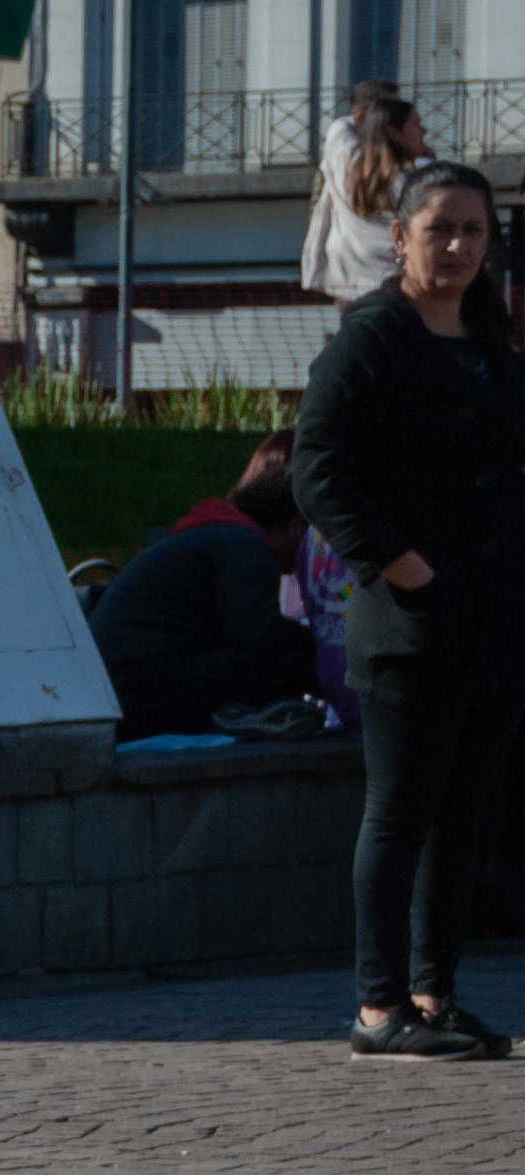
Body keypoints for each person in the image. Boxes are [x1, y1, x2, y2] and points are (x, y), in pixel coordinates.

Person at [294, 161, 525, 1061]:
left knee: (466, 817)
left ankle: (435, 995)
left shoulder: (491, 337)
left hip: (496, 622)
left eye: (476, 230)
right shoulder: (374, 338)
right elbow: (318, 470)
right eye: (442, 230)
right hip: (411, 625)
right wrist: (405, 569)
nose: (462, 246)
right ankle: (377, 1005)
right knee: (400, 812)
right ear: (400, 238)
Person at [89, 443, 319, 740]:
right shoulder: (244, 545)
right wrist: (317, 640)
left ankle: (242, 715)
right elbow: (258, 632)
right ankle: (245, 717)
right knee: (302, 659)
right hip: (144, 694)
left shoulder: (215, 534)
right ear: (296, 526)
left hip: (117, 695)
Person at [306, 80, 425, 306]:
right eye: (387, 109)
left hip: (349, 286)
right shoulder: (409, 181)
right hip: (398, 285)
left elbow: (341, 127)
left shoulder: (342, 154)